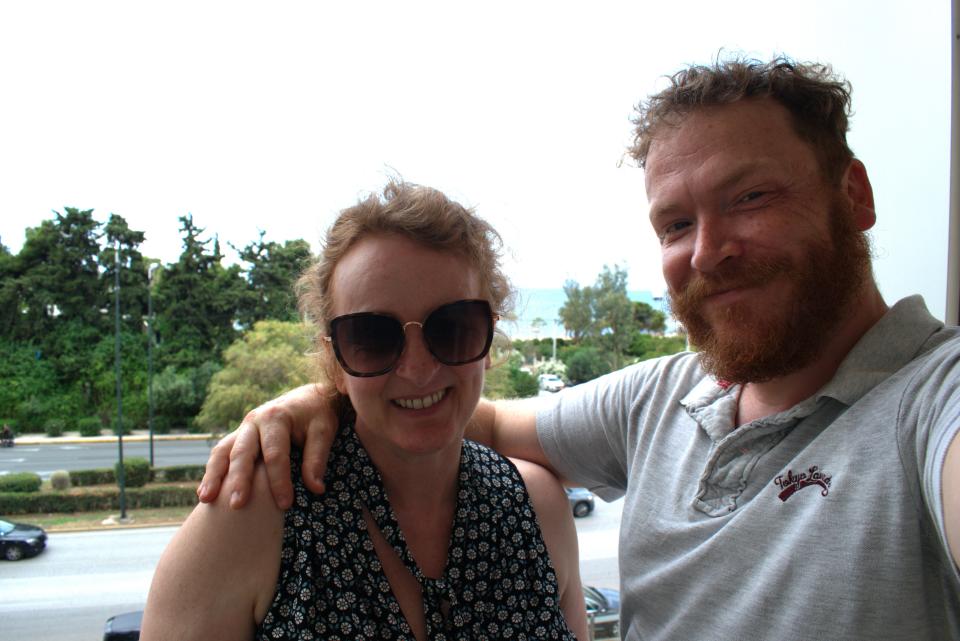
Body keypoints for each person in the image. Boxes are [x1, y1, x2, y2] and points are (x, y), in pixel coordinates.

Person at [199, 57, 960, 641]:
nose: (707, 252)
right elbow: (464, 415)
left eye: (749, 197)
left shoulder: (929, 402)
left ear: (854, 195)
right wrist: (321, 396)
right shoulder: (663, 399)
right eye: (675, 224)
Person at [141, 182, 588, 640]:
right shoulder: (251, 519)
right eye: (371, 338)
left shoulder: (537, 509)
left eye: (452, 328)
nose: (417, 369)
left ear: (489, 339)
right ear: (336, 363)